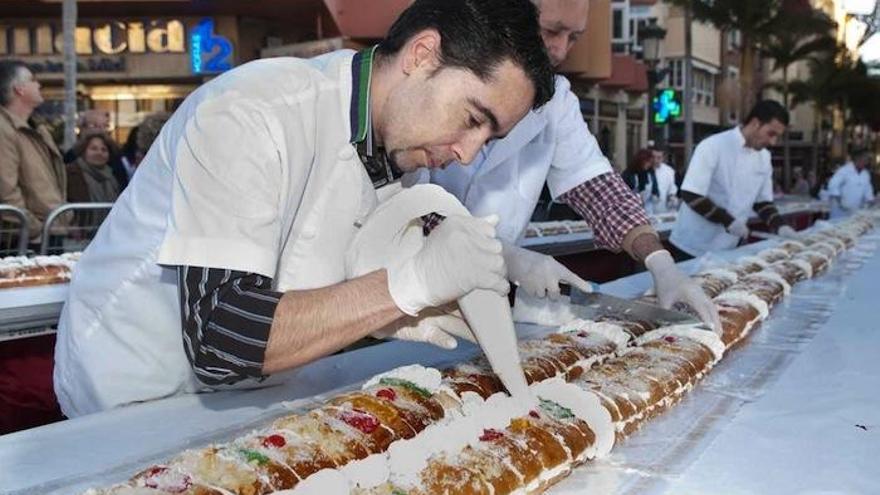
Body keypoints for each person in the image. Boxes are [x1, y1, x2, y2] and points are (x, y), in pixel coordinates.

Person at [54, 0, 556, 417]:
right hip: (132, 386)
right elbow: (220, 337)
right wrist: (405, 287)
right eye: (472, 118)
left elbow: (344, 260)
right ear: (422, 55)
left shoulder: (404, 156)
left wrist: (414, 299)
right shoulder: (253, 112)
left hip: (260, 390)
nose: (467, 153)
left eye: (489, 138)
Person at [404, 0, 720, 331]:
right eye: (552, 31)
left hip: (484, 300)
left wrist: (660, 261)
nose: (560, 50)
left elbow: (598, 189)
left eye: (574, 38)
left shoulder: (557, 100)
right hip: (407, 295)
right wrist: (502, 256)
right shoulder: (441, 78)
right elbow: (403, 206)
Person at [669, 100, 799, 260]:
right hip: (692, 244)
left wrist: (780, 225)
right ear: (755, 123)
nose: (773, 142)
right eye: (771, 134)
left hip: (729, 247)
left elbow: (762, 202)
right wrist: (728, 221)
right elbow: (691, 193)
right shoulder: (713, 145)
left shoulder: (764, 157)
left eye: (777, 136)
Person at [0, 60, 67, 242]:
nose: (38, 84)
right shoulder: (4, 129)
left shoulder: (37, 128)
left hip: (47, 230)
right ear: (19, 89)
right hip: (25, 238)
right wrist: (33, 229)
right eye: (32, 80)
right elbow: (6, 191)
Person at [67, 131, 121, 203]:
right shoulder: (70, 174)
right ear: (83, 151)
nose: (99, 153)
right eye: (93, 148)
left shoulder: (112, 177)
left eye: (104, 149)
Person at [827, 148, 876, 218]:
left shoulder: (866, 174)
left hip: (856, 211)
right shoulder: (844, 170)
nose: (866, 162)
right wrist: (839, 201)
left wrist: (871, 200)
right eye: (865, 159)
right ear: (857, 158)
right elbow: (833, 185)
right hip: (840, 210)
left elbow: (868, 190)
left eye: (868, 160)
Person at [621, 148, 659, 213]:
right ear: (640, 161)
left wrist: (655, 196)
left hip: (648, 208)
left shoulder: (650, 173)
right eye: (647, 162)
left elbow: (655, 189)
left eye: (650, 162)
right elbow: (623, 193)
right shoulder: (628, 174)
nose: (649, 164)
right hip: (631, 209)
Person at [651, 146, 679, 213]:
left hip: (663, 210)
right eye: (653, 157)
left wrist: (672, 196)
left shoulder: (669, 171)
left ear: (663, 158)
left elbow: (672, 188)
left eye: (659, 157)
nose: (655, 160)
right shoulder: (644, 169)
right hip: (647, 210)